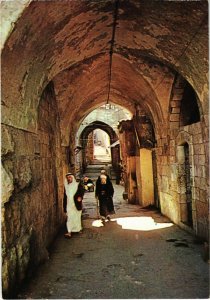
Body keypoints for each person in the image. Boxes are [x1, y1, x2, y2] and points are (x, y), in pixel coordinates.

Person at [63, 173, 85, 238]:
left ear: (72, 178)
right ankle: (69, 232)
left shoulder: (77, 185)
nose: (68, 178)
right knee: (69, 218)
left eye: (70, 177)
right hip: (69, 204)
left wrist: (80, 197)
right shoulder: (66, 186)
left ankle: (78, 229)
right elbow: (65, 197)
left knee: (77, 217)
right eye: (67, 178)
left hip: (76, 204)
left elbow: (82, 191)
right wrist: (64, 206)